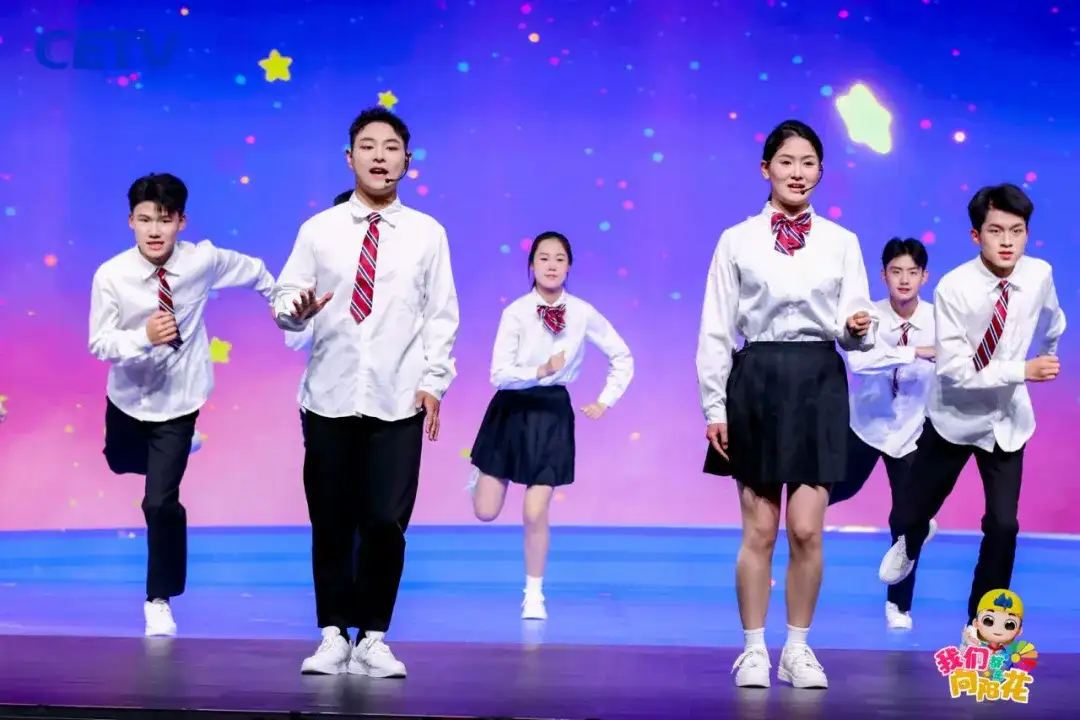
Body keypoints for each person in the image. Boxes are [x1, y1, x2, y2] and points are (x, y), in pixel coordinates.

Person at [272, 107, 460, 678]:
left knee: (384, 521)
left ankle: (373, 636)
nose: (380, 156)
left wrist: (434, 383)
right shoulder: (319, 230)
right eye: (369, 146)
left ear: (408, 160)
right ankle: (332, 634)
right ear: (349, 157)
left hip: (398, 398)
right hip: (328, 396)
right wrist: (295, 309)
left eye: (391, 147)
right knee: (330, 519)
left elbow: (441, 315)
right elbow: (285, 298)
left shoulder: (427, 233)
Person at [696, 119, 875, 689]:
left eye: (808, 163)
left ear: (821, 171)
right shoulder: (737, 239)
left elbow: (856, 328)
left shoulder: (841, 242)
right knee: (760, 530)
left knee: (805, 530)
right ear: (765, 169)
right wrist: (714, 406)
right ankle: (753, 650)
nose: (798, 173)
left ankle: (797, 649)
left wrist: (858, 328)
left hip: (819, 380)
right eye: (787, 161)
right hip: (757, 380)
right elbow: (716, 327)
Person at [88, 172, 275, 637]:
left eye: (165, 219)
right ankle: (175, 450)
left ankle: (159, 599)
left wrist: (282, 301)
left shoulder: (201, 262)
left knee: (159, 501)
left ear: (181, 222)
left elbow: (255, 270)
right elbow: (99, 342)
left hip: (180, 400)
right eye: (145, 220)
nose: (155, 230)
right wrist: (143, 336)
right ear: (131, 222)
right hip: (129, 398)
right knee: (119, 462)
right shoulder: (111, 275)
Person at [878, 184, 1065, 646]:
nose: (1008, 241)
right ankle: (910, 540)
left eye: (1017, 231)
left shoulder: (1038, 274)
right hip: (954, 417)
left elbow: (1054, 318)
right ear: (975, 235)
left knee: (1003, 526)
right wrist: (1023, 370)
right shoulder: (955, 288)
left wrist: (1049, 352)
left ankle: (980, 626)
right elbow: (956, 370)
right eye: (996, 231)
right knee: (911, 512)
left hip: (1006, 421)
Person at [468, 231, 634, 621]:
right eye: (544, 258)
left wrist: (605, 399)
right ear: (531, 265)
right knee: (486, 511)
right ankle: (480, 474)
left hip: (552, 414)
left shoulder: (582, 312)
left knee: (535, 510)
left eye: (560, 258)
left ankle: (534, 594)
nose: (552, 265)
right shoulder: (516, 313)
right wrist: (538, 370)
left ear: (569, 266)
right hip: (510, 410)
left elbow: (622, 356)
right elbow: (498, 374)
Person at [829, 237, 939, 630]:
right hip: (865, 426)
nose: (904, 280)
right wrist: (917, 352)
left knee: (905, 521)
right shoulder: (867, 315)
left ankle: (899, 606)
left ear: (924, 276)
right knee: (830, 491)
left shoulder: (940, 320)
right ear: (883, 275)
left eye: (912, 272)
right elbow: (860, 362)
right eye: (896, 271)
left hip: (913, 431)